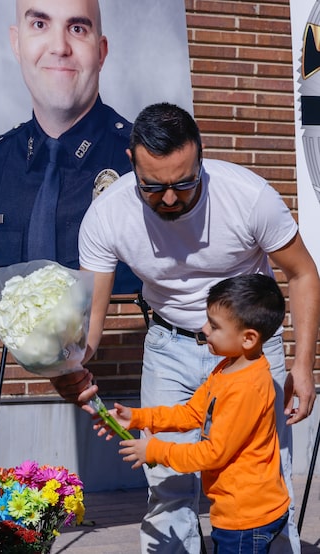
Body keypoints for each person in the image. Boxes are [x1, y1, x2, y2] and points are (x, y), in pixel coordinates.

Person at [71, 102, 320, 553]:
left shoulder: (247, 197)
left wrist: (303, 365)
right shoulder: (108, 216)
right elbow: (89, 325)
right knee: (166, 487)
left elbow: (303, 273)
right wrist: (67, 366)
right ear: (132, 163)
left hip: (249, 352)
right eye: (154, 186)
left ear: (201, 158)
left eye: (184, 184)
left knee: (263, 477)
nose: (169, 198)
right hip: (169, 344)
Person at [0, 0, 140, 296]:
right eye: (40, 25)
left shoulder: (145, 167)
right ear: (17, 43)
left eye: (77, 28)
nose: (59, 47)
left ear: (101, 52)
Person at [96, 274, 290, 553]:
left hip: (247, 520)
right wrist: (138, 418)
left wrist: (155, 451)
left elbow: (212, 453)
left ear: (248, 338)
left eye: (214, 325)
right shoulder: (226, 368)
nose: (203, 328)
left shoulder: (246, 388)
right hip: (235, 512)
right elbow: (192, 414)